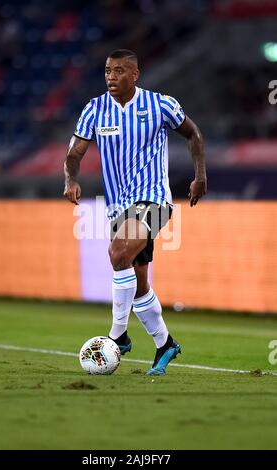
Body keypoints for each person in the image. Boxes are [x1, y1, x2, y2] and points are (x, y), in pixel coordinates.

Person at [64, 49, 207, 375]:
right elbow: (74, 153)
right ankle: (165, 344)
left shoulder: (160, 105)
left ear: (135, 74)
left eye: (118, 71)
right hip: (118, 206)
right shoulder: (95, 109)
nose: (111, 77)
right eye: (107, 71)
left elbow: (193, 134)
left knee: (117, 252)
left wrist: (200, 176)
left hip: (155, 199)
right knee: (137, 282)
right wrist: (70, 178)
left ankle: (118, 335)